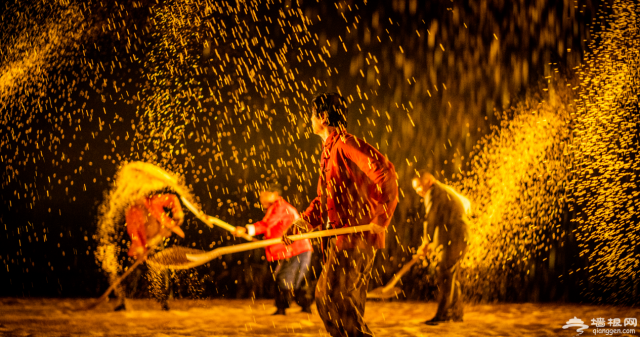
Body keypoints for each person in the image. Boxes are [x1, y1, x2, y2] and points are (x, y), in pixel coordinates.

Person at [284, 92, 398, 337]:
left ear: (323, 117)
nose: (309, 120)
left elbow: (386, 174)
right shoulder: (329, 152)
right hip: (341, 241)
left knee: (329, 298)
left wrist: (381, 217)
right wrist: (303, 222)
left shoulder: (346, 143)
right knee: (343, 304)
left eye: (312, 115)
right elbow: (325, 199)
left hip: (356, 240)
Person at [234, 183, 313, 315]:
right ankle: (303, 306)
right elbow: (272, 229)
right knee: (295, 278)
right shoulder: (277, 208)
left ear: (275, 195)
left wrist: (247, 229)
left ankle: (283, 308)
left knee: (285, 277)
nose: (262, 198)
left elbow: (266, 224)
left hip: (296, 248)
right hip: (295, 248)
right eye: (261, 195)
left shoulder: (281, 207)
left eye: (265, 194)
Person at [412, 171, 470, 325]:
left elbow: (430, 218)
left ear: (429, 180)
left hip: (456, 235)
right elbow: (440, 219)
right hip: (460, 235)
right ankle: (456, 313)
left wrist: (426, 242)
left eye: (419, 186)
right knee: (449, 273)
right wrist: (430, 244)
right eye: (415, 189)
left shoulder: (433, 192)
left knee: (444, 271)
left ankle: (443, 314)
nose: (418, 191)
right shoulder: (443, 191)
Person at [114, 192, 185, 311]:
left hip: (158, 241)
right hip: (141, 245)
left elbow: (173, 199)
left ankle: (164, 303)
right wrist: (140, 249)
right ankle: (123, 301)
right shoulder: (131, 211)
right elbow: (133, 231)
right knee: (131, 274)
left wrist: (177, 214)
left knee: (160, 272)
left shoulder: (154, 201)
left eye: (136, 194)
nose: (134, 198)